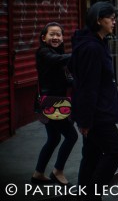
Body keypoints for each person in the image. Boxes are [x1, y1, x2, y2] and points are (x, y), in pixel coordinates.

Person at [70, 2, 118, 198]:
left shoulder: (97, 42)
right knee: (116, 150)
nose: (114, 21)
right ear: (98, 20)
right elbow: (87, 87)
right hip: (97, 114)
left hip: (97, 111)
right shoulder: (92, 48)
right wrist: (85, 120)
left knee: (92, 155)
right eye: (111, 18)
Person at [32, 22, 78, 186]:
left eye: (59, 34)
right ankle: (57, 170)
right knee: (71, 136)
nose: (56, 37)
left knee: (53, 138)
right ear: (43, 38)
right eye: (52, 34)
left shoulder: (57, 53)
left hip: (52, 102)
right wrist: (79, 53)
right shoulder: (44, 53)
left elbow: (64, 77)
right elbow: (56, 60)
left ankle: (38, 173)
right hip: (52, 104)